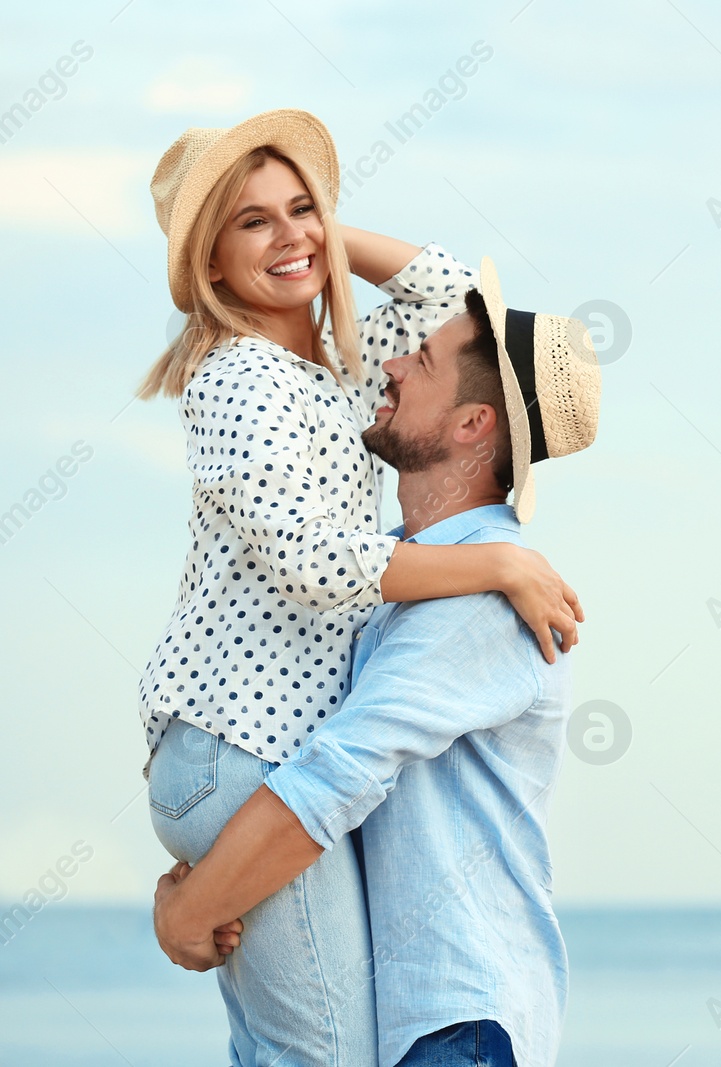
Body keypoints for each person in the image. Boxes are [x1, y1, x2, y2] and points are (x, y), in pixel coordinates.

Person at [140, 109, 582, 1064]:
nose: (291, 231)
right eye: (250, 220)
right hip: (244, 741)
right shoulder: (243, 376)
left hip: (255, 749)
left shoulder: (335, 370)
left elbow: (450, 297)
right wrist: (497, 561)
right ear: (210, 265)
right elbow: (310, 559)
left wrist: (304, 242)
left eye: (302, 208)